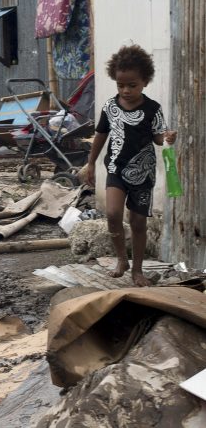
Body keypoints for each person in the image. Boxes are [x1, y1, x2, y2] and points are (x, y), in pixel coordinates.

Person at [84, 45, 177, 287]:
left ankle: (137, 270)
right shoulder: (109, 107)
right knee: (113, 215)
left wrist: (167, 138)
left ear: (145, 81)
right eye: (120, 85)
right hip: (116, 168)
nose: (125, 90)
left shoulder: (153, 109)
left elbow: (158, 138)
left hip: (143, 174)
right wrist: (91, 163)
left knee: (137, 223)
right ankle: (121, 260)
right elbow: (101, 135)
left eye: (132, 85)